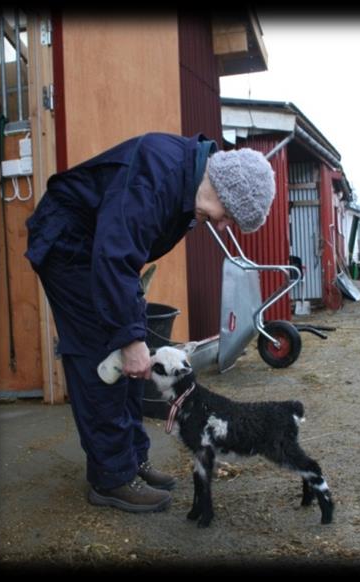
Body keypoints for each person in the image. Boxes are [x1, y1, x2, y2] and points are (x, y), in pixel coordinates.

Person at [25, 132, 275, 513]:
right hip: (68, 246)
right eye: (229, 217)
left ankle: (132, 460)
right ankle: (110, 479)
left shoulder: (188, 188)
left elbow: (123, 251)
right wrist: (128, 339)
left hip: (99, 249)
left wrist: (132, 334)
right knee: (102, 352)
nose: (223, 226)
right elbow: (113, 254)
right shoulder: (157, 176)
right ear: (224, 190)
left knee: (131, 349)